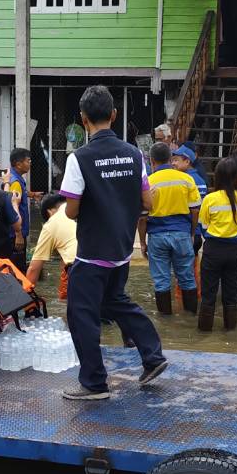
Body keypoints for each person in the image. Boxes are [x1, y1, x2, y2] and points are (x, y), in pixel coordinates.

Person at [60, 85, 167, 400]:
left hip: (92, 252)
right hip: (121, 249)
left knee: (81, 315)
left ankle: (93, 384)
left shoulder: (79, 158)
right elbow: (147, 201)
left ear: (83, 119)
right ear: (114, 115)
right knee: (115, 301)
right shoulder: (135, 154)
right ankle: (153, 355)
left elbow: (72, 209)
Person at [137, 141, 200, 315]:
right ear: (170, 159)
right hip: (182, 234)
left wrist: (142, 242)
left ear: (151, 161)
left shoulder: (147, 182)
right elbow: (195, 211)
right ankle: (190, 320)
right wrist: (192, 233)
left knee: (161, 282)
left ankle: (165, 323)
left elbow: (142, 219)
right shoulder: (187, 179)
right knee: (187, 279)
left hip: (157, 236)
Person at [196, 155, 237, 331]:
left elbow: (203, 226)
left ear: (217, 176)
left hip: (213, 250)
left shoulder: (210, 199)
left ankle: (204, 335)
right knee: (230, 295)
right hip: (234, 251)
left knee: (208, 295)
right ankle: (230, 332)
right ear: (236, 176)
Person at [26, 192, 78, 297]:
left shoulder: (51, 223)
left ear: (49, 212)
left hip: (81, 268)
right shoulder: (79, 205)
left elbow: (33, 269)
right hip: (114, 260)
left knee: (80, 310)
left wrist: (25, 299)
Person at [3, 147, 33, 267]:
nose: (29, 163)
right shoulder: (15, 182)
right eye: (28, 161)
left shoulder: (14, 178)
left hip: (13, 232)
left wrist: (32, 194)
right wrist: (18, 235)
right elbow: (12, 210)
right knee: (18, 269)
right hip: (16, 234)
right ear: (18, 164)